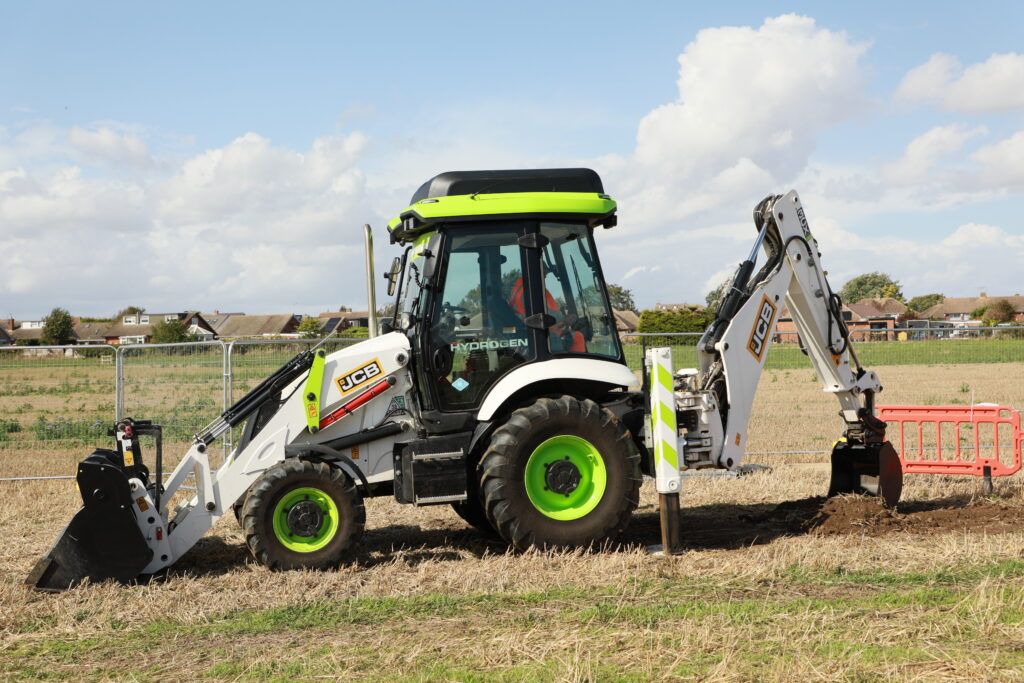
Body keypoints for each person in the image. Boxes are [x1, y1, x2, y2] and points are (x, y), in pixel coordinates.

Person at [507, 276, 585, 353]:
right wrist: (563, 320)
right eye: (545, 272)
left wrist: (564, 321)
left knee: (576, 336)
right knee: (577, 337)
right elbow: (539, 317)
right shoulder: (530, 289)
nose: (545, 276)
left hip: (542, 330)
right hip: (536, 333)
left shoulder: (528, 287)